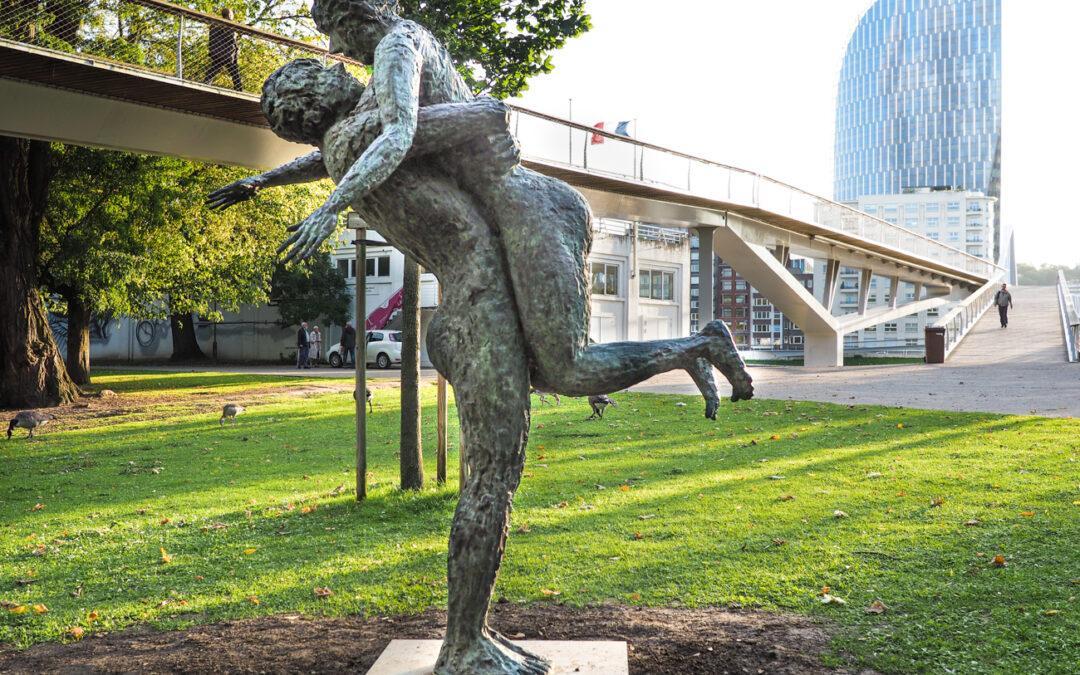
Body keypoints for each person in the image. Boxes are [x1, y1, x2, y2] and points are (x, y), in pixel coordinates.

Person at [205, 8, 243, 91]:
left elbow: (212, 39)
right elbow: (231, 38)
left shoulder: (215, 25)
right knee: (235, 73)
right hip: (228, 54)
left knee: (213, 70)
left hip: (217, 53)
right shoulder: (230, 25)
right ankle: (239, 91)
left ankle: (205, 85)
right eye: (232, 14)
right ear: (229, 15)